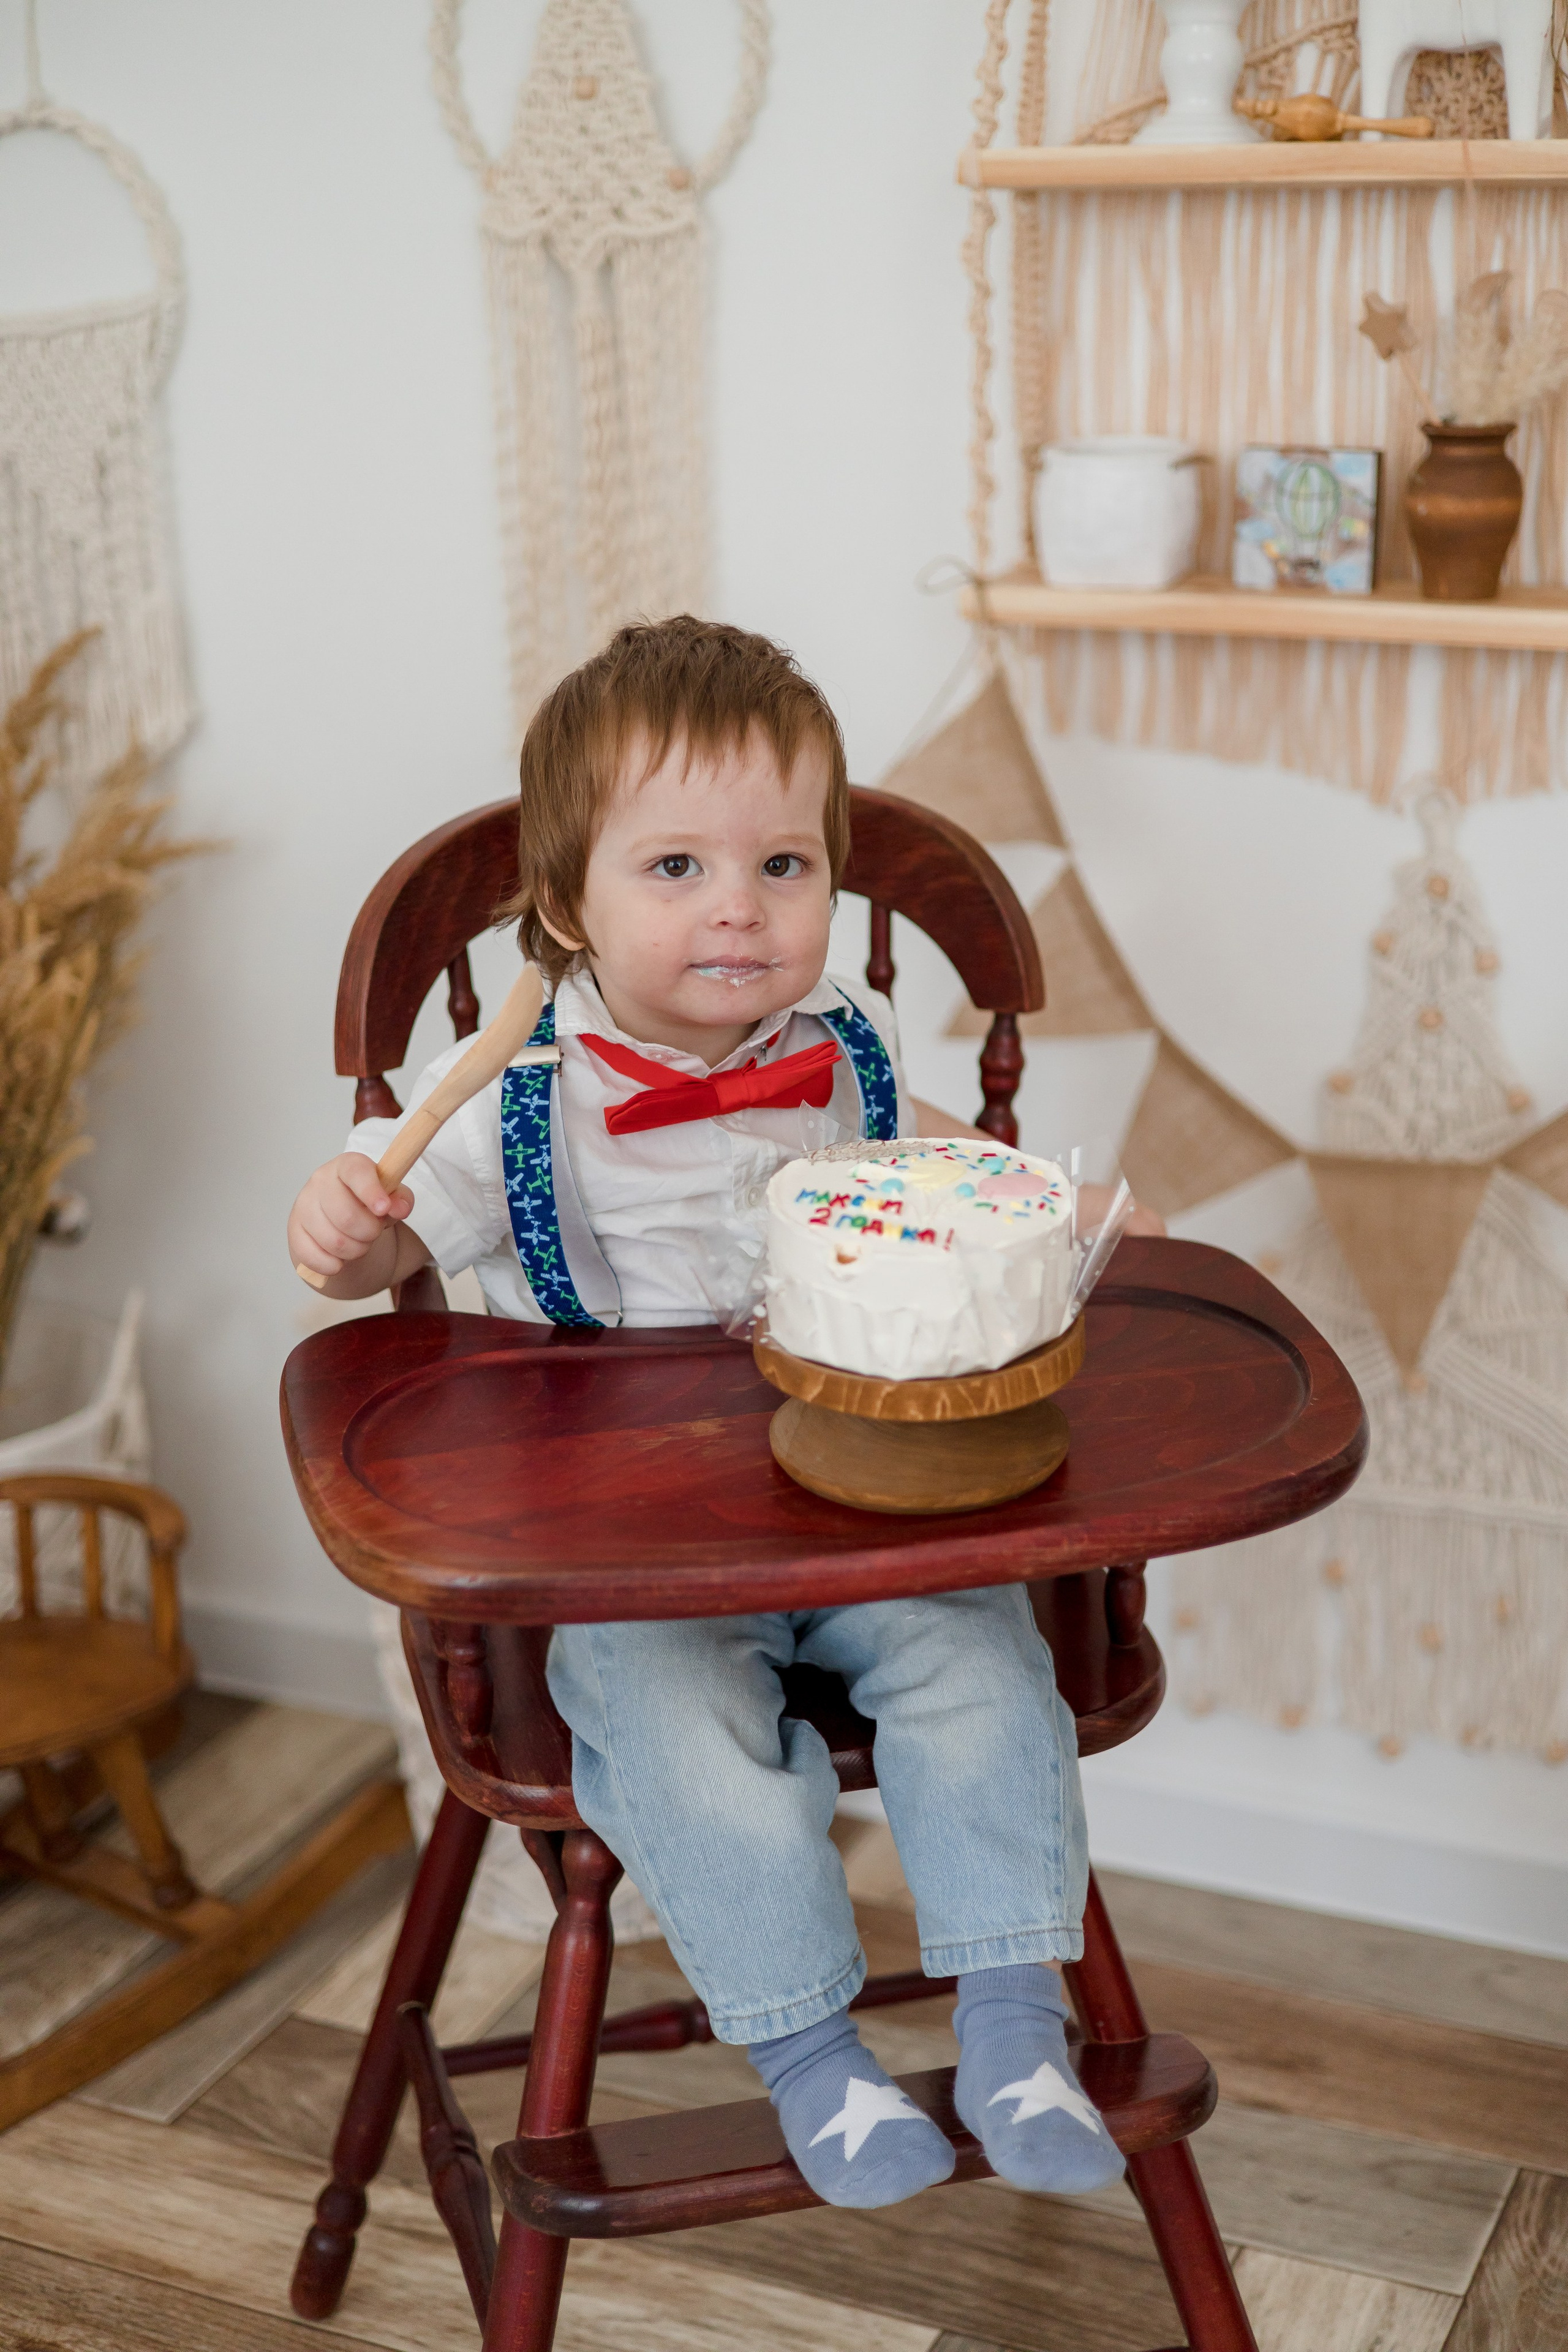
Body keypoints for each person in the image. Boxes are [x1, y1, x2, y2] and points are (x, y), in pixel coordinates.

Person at [287, 616, 1148, 2211]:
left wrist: (1053, 1205)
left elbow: (939, 1150)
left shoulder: (850, 1050)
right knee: (690, 1750)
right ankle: (815, 2057)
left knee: (986, 1676)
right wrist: (354, 1235)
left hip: (865, 1496)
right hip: (631, 1554)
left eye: (785, 866)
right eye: (675, 867)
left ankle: (1016, 2029)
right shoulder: (519, 1098)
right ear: (567, 907)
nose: (739, 909)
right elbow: (397, 1243)